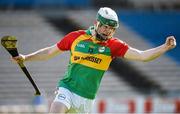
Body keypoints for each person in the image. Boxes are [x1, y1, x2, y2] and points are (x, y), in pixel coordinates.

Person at [13, 7, 176, 113]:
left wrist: (164, 47)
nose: (108, 31)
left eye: (112, 28)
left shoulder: (114, 46)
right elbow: (50, 51)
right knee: (56, 109)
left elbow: (142, 56)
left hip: (87, 99)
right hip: (67, 89)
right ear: (97, 23)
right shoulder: (76, 37)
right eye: (105, 26)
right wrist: (26, 58)